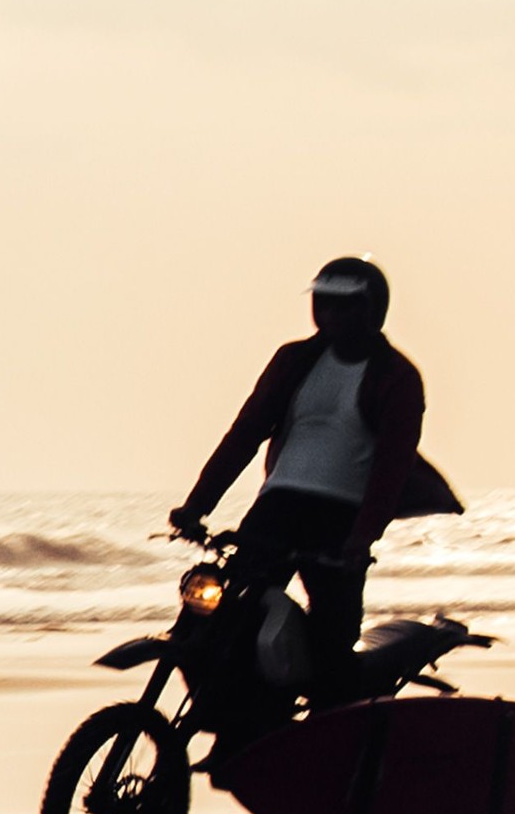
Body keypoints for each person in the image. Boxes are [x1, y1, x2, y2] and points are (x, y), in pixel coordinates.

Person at [168, 259, 458, 705]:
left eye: (344, 306)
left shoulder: (397, 376)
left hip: (339, 520)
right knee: (212, 620)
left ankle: (330, 734)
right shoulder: (294, 360)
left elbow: (391, 469)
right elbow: (244, 434)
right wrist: (197, 505)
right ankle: (238, 714)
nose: (330, 315)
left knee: (332, 644)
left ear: (372, 311)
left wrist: (362, 538)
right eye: (324, 304)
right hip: (276, 508)